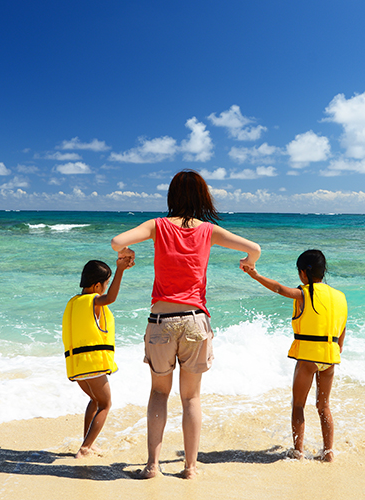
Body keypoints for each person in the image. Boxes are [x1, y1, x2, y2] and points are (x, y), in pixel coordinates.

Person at [111, 169, 261, 479]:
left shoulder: (158, 226)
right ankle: (190, 468)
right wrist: (250, 265)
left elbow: (117, 241)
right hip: (195, 321)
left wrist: (125, 254)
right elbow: (254, 248)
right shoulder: (209, 231)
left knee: (159, 393)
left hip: (161, 321)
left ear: (172, 197)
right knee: (191, 397)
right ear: (203, 198)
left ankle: (153, 466)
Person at [242, 249, 346, 462]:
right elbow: (341, 334)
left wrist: (256, 275)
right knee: (323, 406)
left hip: (308, 357)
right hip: (330, 358)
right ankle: (328, 453)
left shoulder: (305, 293)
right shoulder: (340, 297)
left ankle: (298, 452)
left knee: (298, 404)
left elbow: (279, 289)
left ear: (303, 273)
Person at [62, 257, 133, 458]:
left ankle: (88, 443)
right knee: (105, 404)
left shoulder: (74, 302)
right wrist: (121, 270)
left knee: (94, 400)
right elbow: (111, 298)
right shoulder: (94, 301)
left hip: (77, 366)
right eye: (106, 283)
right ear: (96, 285)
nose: (106, 287)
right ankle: (85, 449)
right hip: (93, 364)